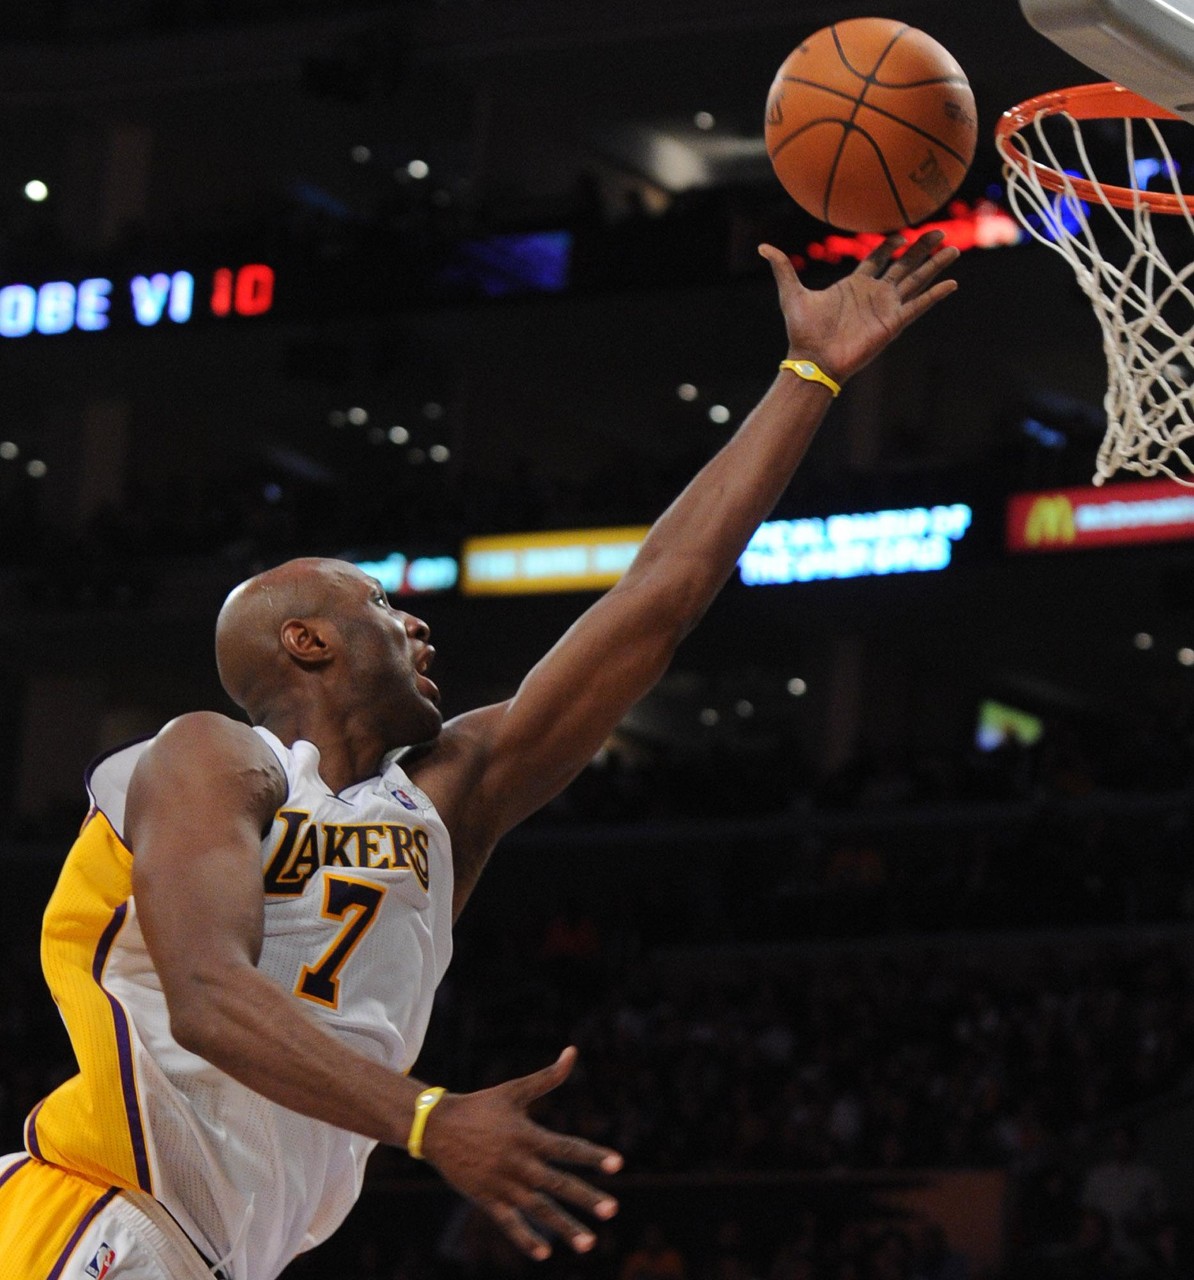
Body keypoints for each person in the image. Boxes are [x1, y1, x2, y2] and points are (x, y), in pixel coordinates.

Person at [0, 231, 958, 1279]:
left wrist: (808, 376)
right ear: (305, 641)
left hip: (219, 1255)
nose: (416, 624)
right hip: (98, 1208)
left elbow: (658, 602)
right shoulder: (210, 755)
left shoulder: (447, 799)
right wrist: (430, 1118)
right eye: (380, 602)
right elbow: (205, 993)